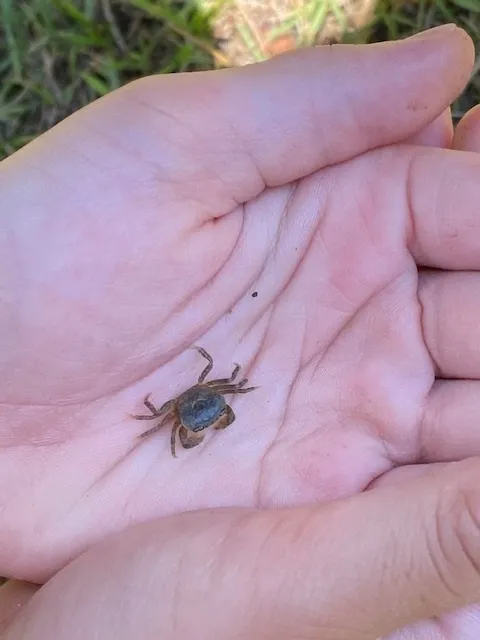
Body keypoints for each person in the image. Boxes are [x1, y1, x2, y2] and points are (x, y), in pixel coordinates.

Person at [0, 22, 480, 639]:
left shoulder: (207, 400)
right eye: (201, 421)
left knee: (221, 392)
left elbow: (213, 398)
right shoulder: (179, 414)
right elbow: (180, 416)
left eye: (206, 418)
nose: (205, 421)